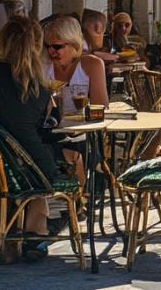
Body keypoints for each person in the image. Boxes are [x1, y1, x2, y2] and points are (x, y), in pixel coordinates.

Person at [0, 16, 59, 259]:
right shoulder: (38, 87)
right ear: (36, 46)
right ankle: (34, 234)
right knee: (38, 166)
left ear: (1, 40)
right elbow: (40, 126)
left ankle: (2, 240)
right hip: (31, 168)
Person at [43, 16, 108, 190]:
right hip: (52, 132)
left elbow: (101, 109)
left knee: (72, 149)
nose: (51, 52)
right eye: (47, 46)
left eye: (57, 47)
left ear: (74, 45)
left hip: (83, 134)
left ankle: (78, 197)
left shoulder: (91, 65)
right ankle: (74, 199)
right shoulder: (44, 67)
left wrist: (78, 115)